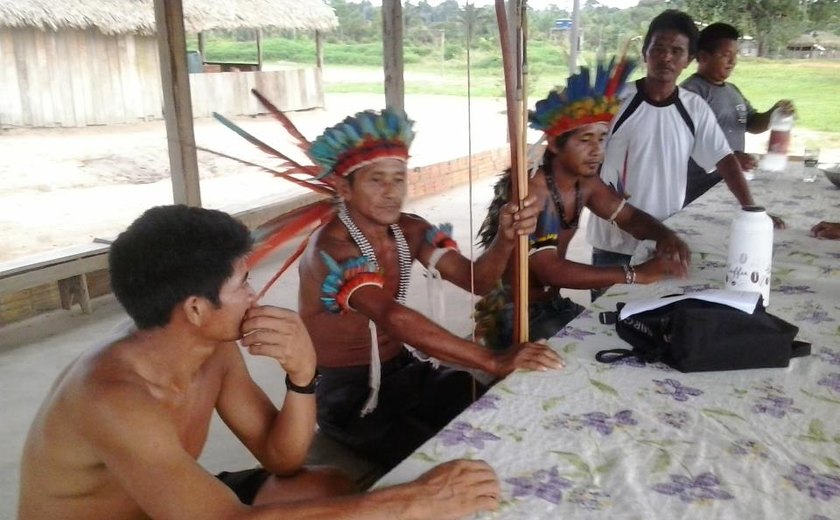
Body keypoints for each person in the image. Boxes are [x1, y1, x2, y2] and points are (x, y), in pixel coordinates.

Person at [18, 205, 504, 520]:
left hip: (164, 504)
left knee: (328, 487)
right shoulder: (113, 400)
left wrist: (303, 374)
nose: (257, 294)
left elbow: (282, 458)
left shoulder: (211, 348)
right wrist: (418, 501)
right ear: (194, 309)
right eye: (244, 284)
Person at [297, 109, 564, 470]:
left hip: (406, 371)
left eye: (399, 179)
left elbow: (478, 282)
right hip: (348, 394)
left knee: (497, 412)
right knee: (438, 462)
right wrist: (493, 359)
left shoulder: (409, 229)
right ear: (345, 188)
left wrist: (505, 238)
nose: (392, 193)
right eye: (377, 180)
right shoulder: (330, 249)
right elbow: (392, 316)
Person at [474, 60, 691, 348]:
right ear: (554, 144)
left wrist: (666, 236)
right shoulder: (534, 191)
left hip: (550, 304)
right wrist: (635, 274)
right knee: (603, 346)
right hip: (515, 315)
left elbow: (628, 217)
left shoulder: (585, 183)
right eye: (585, 139)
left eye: (602, 138)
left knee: (628, 335)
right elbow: (549, 268)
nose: (597, 151)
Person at [586, 9, 784, 300]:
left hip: (666, 240)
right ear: (645, 53)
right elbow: (583, 157)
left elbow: (725, 160)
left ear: (689, 59)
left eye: (677, 51)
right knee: (600, 321)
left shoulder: (694, 108)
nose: (666, 57)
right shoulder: (614, 102)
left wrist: (751, 210)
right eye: (659, 49)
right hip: (613, 242)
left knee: (654, 322)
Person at [681, 22, 796, 204]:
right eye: (726, 55)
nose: (733, 61)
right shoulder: (691, 93)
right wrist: (730, 158)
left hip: (730, 183)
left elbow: (751, 123)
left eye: (735, 55)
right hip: (700, 189)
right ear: (703, 57)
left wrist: (775, 112)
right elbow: (684, 142)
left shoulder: (732, 91)